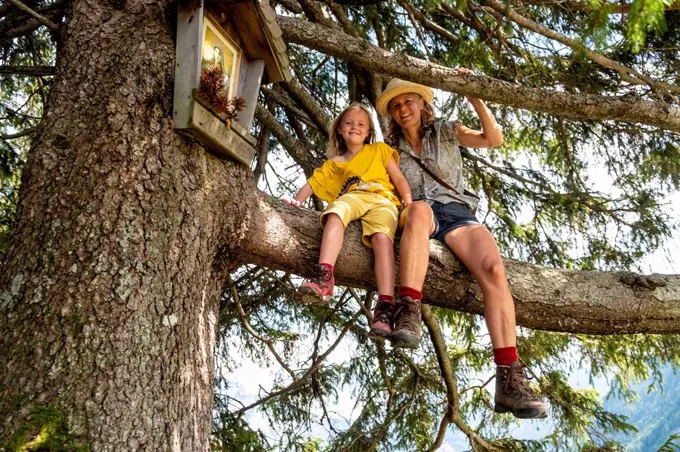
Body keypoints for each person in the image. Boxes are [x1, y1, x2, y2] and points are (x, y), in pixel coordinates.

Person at [375, 73, 548, 419]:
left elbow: (493, 139)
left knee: (494, 271)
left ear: (423, 104)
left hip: (456, 213)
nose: (402, 108)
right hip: (416, 214)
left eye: (408, 101)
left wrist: (475, 97)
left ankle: (509, 378)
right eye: (395, 106)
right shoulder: (390, 151)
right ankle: (408, 312)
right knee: (420, 210)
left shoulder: (448, 131)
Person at [286, 102, 412, 339]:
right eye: (349, 123)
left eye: (361, 124)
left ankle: (385, 306)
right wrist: (297, 201)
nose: (355, 127)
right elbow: (313, 183)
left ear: (368, 132)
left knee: (382, 239)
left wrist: (408, 202)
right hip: (353, 196)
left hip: (382, 199)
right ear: (340, 130)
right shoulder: (336, 163)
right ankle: (324, 277)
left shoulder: (380, 150)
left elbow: (399, 178)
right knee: (335, 213)